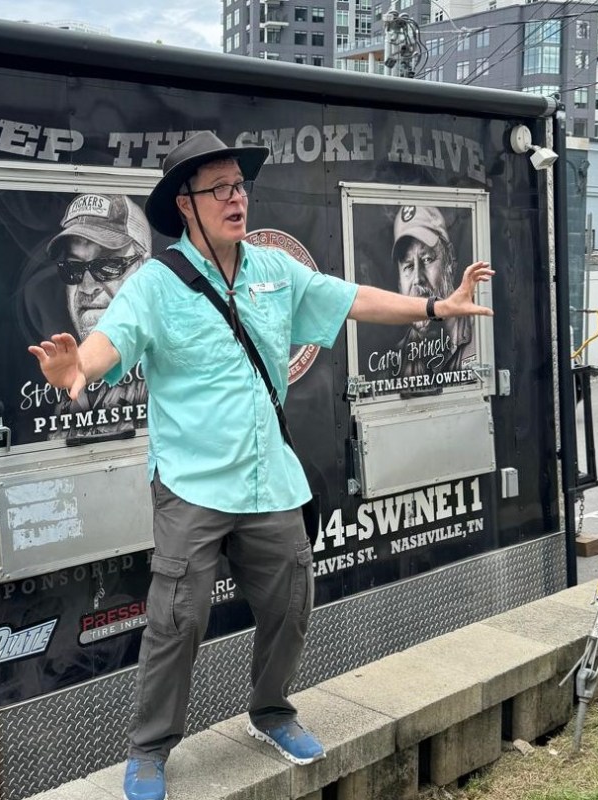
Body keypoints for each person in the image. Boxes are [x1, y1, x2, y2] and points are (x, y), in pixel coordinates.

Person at [28, 131, 494, 800]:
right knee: (177, 619)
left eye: (239, 186)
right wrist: (78, 369)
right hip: (190, 483)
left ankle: (271, 710)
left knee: (292, 600)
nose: (236, 198)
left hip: (267, 476)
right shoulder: (155, 284)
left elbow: (350, 298)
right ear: (185, 203)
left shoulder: (275, 270)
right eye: (218, 188)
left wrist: (434, 306)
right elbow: (108, 344)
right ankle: (150, 748)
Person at [45, 193, 151, 440]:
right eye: (73, 268)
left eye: (107, 266)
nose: (87, 286)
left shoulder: (166, 367)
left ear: (145, 269)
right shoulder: (68, 383)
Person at [391, 205, 476, 377]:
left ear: (450, 262)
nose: (417, 278)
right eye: (408, 266)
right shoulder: (394, 364)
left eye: (427, 259)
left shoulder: (482, 337)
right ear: (399, 284)